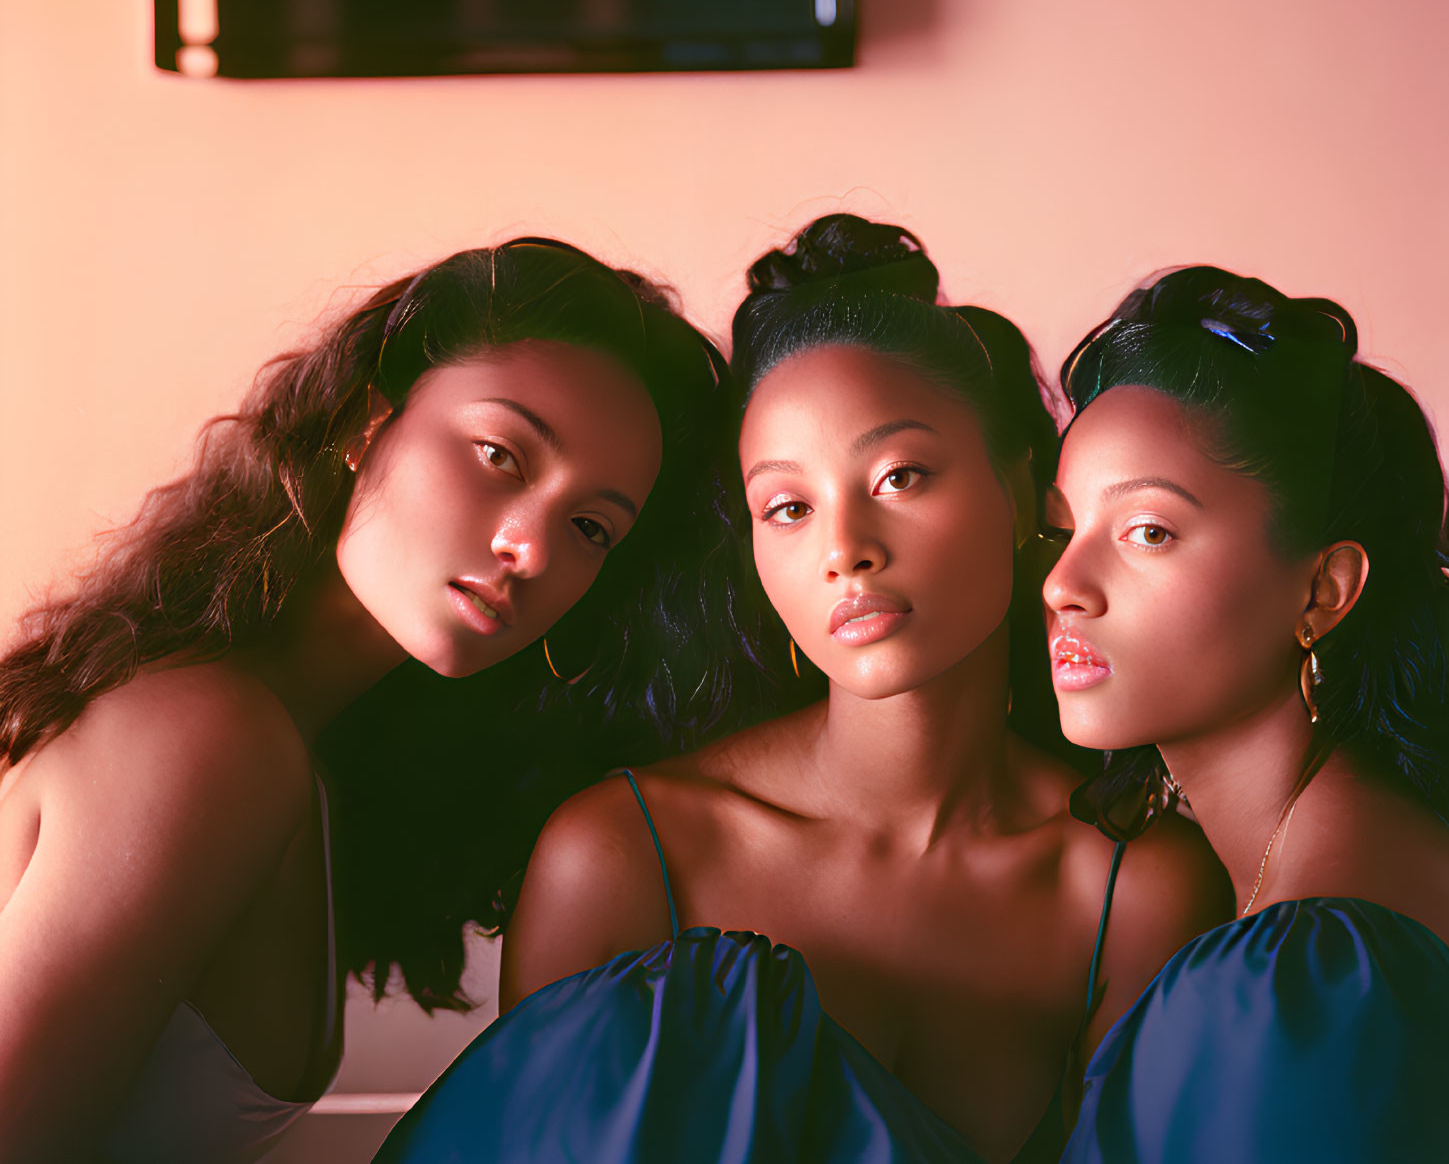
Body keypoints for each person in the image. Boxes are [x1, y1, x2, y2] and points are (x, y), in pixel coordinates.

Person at [375, 216, 1228, 1164]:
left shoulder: (1132, 884)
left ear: (1025, 491)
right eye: (787, 506)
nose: (843, 547)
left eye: (900, 474)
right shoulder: (625, 854)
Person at [0, 236, 749, 1164]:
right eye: (501, 455)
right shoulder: (208, 735)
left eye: (590, 526)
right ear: (365, 419)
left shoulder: (295, 751)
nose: (533, 548)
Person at [1043, 266, 1449, 1163]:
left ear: (1323, 587)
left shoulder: (1307, 971)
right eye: (1060, 528)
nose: (1062, 585)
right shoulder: (1336, 865)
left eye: (1148, 530)